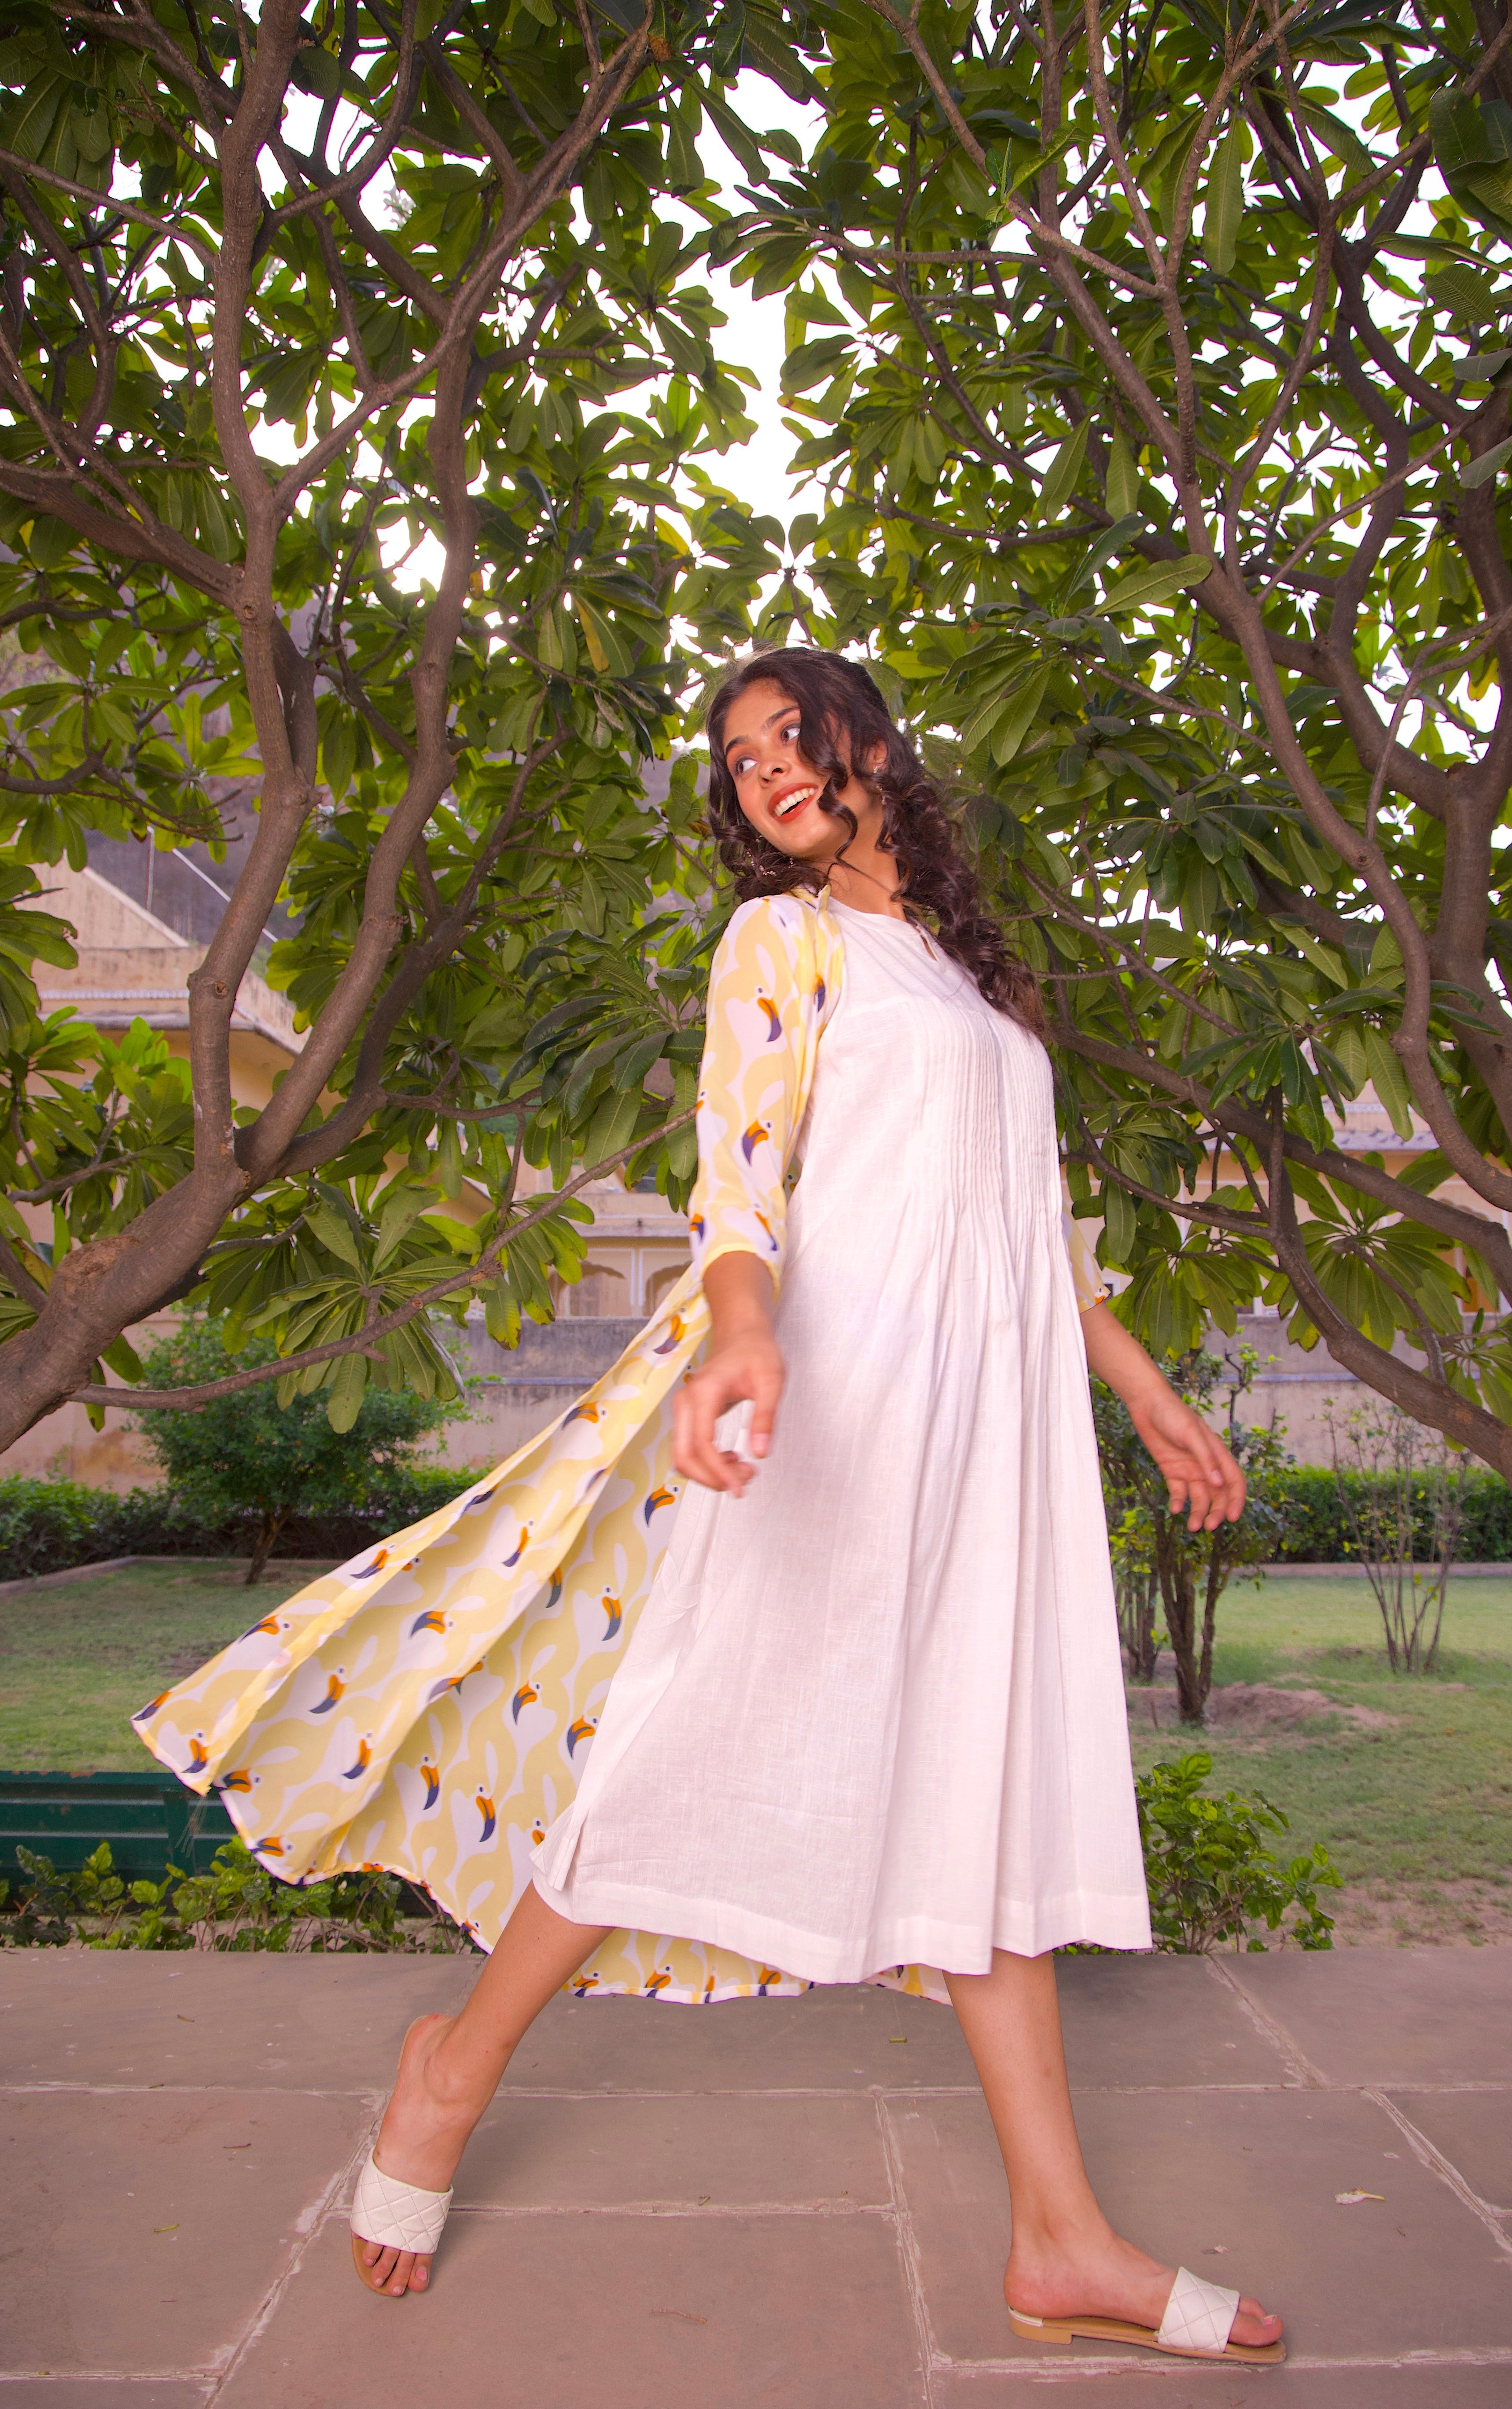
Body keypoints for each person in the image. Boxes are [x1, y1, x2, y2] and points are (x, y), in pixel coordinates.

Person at [140, 649, 1284, 2366]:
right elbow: (735, 1183)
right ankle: (450, 2071)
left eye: (787, 736)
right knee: (685, 1741)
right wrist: (741, 1336)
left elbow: (1036, 1239)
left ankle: (1059, 2239)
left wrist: (1150, 1395)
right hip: (836, 1408)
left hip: (991, 1434)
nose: (763, 771)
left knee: (983, 1784)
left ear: (872, 743)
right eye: (736, 757)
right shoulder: (783, 943)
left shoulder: (979, 987)